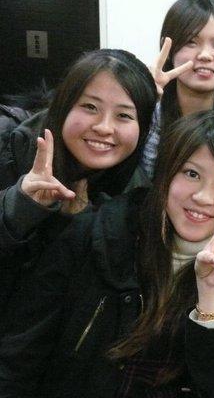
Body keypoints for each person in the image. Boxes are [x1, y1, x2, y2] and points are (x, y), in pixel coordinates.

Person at [0, 110, 214, 398]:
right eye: (191, 174)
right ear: (165, 175)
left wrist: (211, 296)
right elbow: (18, 358)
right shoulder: (95, 237)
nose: (203, 197)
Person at [0, 49, 156, 296]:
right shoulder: (8, 143)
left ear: (143, 129)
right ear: (63, 106)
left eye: (124, 115)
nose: (104, 127)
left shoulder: (135, 194)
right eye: (90, 106)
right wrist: (19, 206)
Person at [139, 0, 214, 177]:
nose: (205, 55)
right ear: (166, 48)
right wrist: (143, 97)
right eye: (191, 42)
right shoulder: (142, 120)